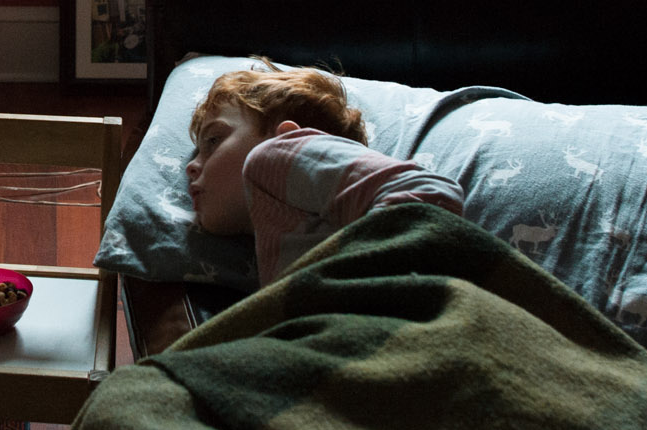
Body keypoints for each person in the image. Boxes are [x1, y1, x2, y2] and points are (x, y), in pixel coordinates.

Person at [185, 60, 465, 284]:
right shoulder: (278, 234)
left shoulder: (272, 156)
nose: (191, 165)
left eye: (213, 141)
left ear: (286, 138)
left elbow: (430, 196)